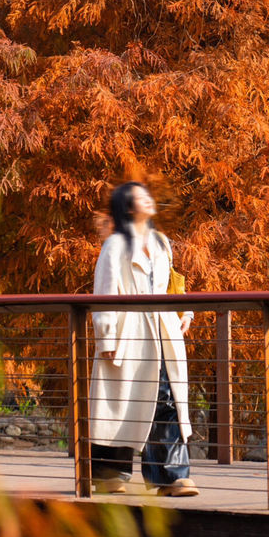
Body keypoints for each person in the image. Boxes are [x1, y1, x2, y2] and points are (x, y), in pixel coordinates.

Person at [89, 182, 199, 497]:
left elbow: (173, 283)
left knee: (167, 399)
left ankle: (172, 477)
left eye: (148, 195)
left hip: (162, 331)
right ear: (126, 207)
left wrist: (185, 312)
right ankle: (110, 475)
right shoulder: (115, 245)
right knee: (120, 404)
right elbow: (105, 291)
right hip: (128, 332)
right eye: (139, 198)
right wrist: (106, 339)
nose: (148, 200)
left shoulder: (162, 242)